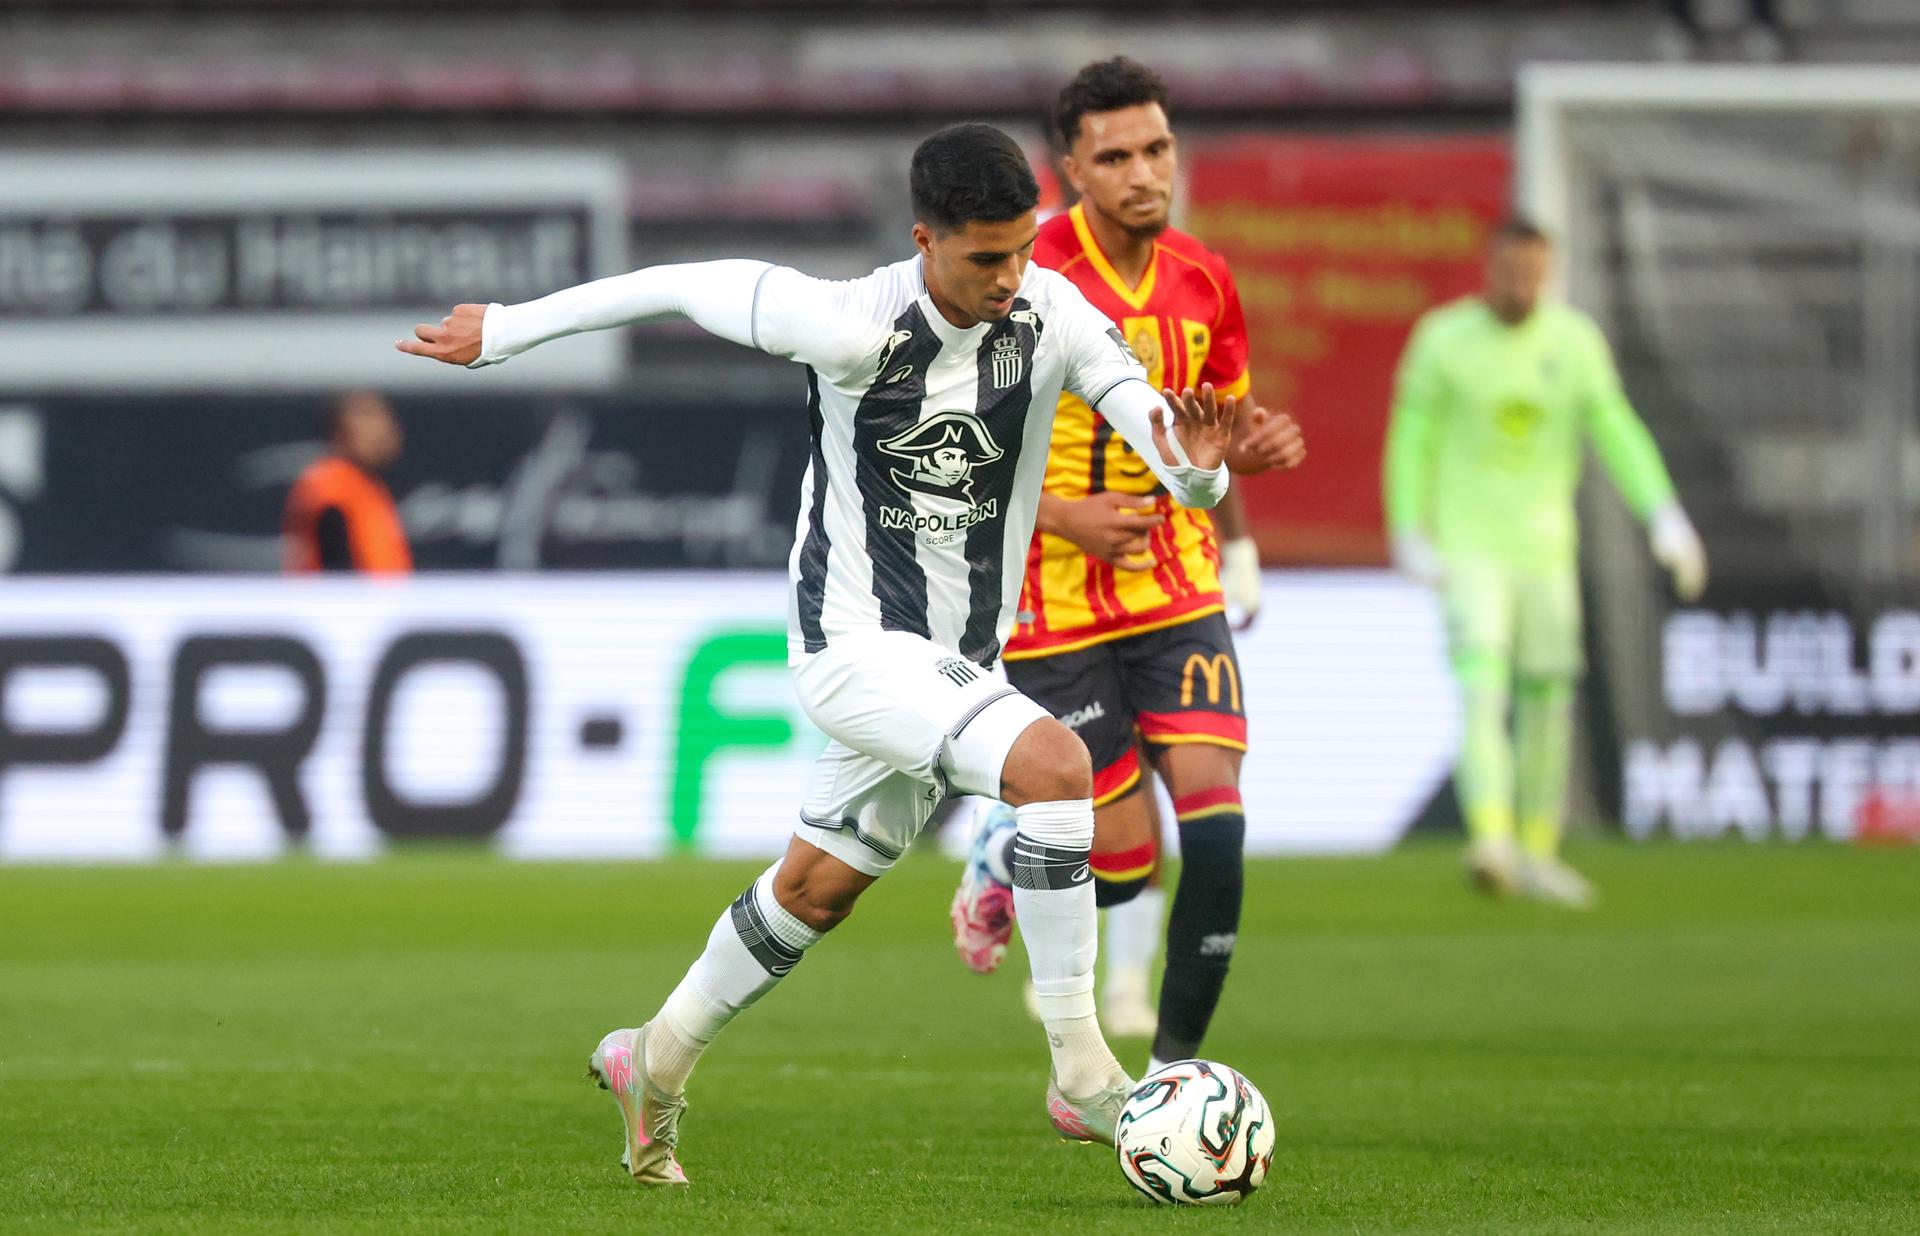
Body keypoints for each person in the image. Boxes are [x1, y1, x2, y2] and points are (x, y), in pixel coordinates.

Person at [397, 123, 1239, 1185]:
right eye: (985, 257)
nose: (1011, 276)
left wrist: (1199, 477)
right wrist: (509, 329)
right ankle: (1083, 1070)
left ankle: (651, 1059)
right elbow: (679, 281)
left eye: (1023, 249)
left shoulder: (1053, 312)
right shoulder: (847, 324)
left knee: (815, 890)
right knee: (1056, 770)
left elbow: (1157, 428)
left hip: (957, 666)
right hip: (853, 646)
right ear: (925, 240)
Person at [948, 58, 1304, 1074]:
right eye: (1116, 156)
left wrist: (1240, 503)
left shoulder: (1204, 279)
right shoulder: (1020, 275)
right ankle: (1010, 856)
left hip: (1174, 585)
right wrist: (1061, 515)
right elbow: (946, 439)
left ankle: (1174, 1075)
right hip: (1051, 603)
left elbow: (1208, 431)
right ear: (1072, 170)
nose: (1144, 173)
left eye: (1157, 150)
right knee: (1124, 860)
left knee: (1219, 828)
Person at [1383, 217, 1708, 908]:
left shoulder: (1574, 342)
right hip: (1470, 546)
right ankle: (1491, 839)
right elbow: (1411, 437)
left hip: (1546, 551)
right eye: (1512, 270)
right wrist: (1410, 528)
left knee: (1548, 702)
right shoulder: (1444, 340)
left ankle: (1537, 849)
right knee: (1481, 689)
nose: (1523, 285)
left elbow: (1616, 429)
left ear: (1549, 271)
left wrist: (1664, 514)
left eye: (1535, 272)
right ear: (1489, 268)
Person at [282, 390, 412, 574]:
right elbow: (336, 568)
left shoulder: (361, 483)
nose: (384, 429)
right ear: (339, 429)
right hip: (345, 601)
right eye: (368, 417)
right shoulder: (331, 485)